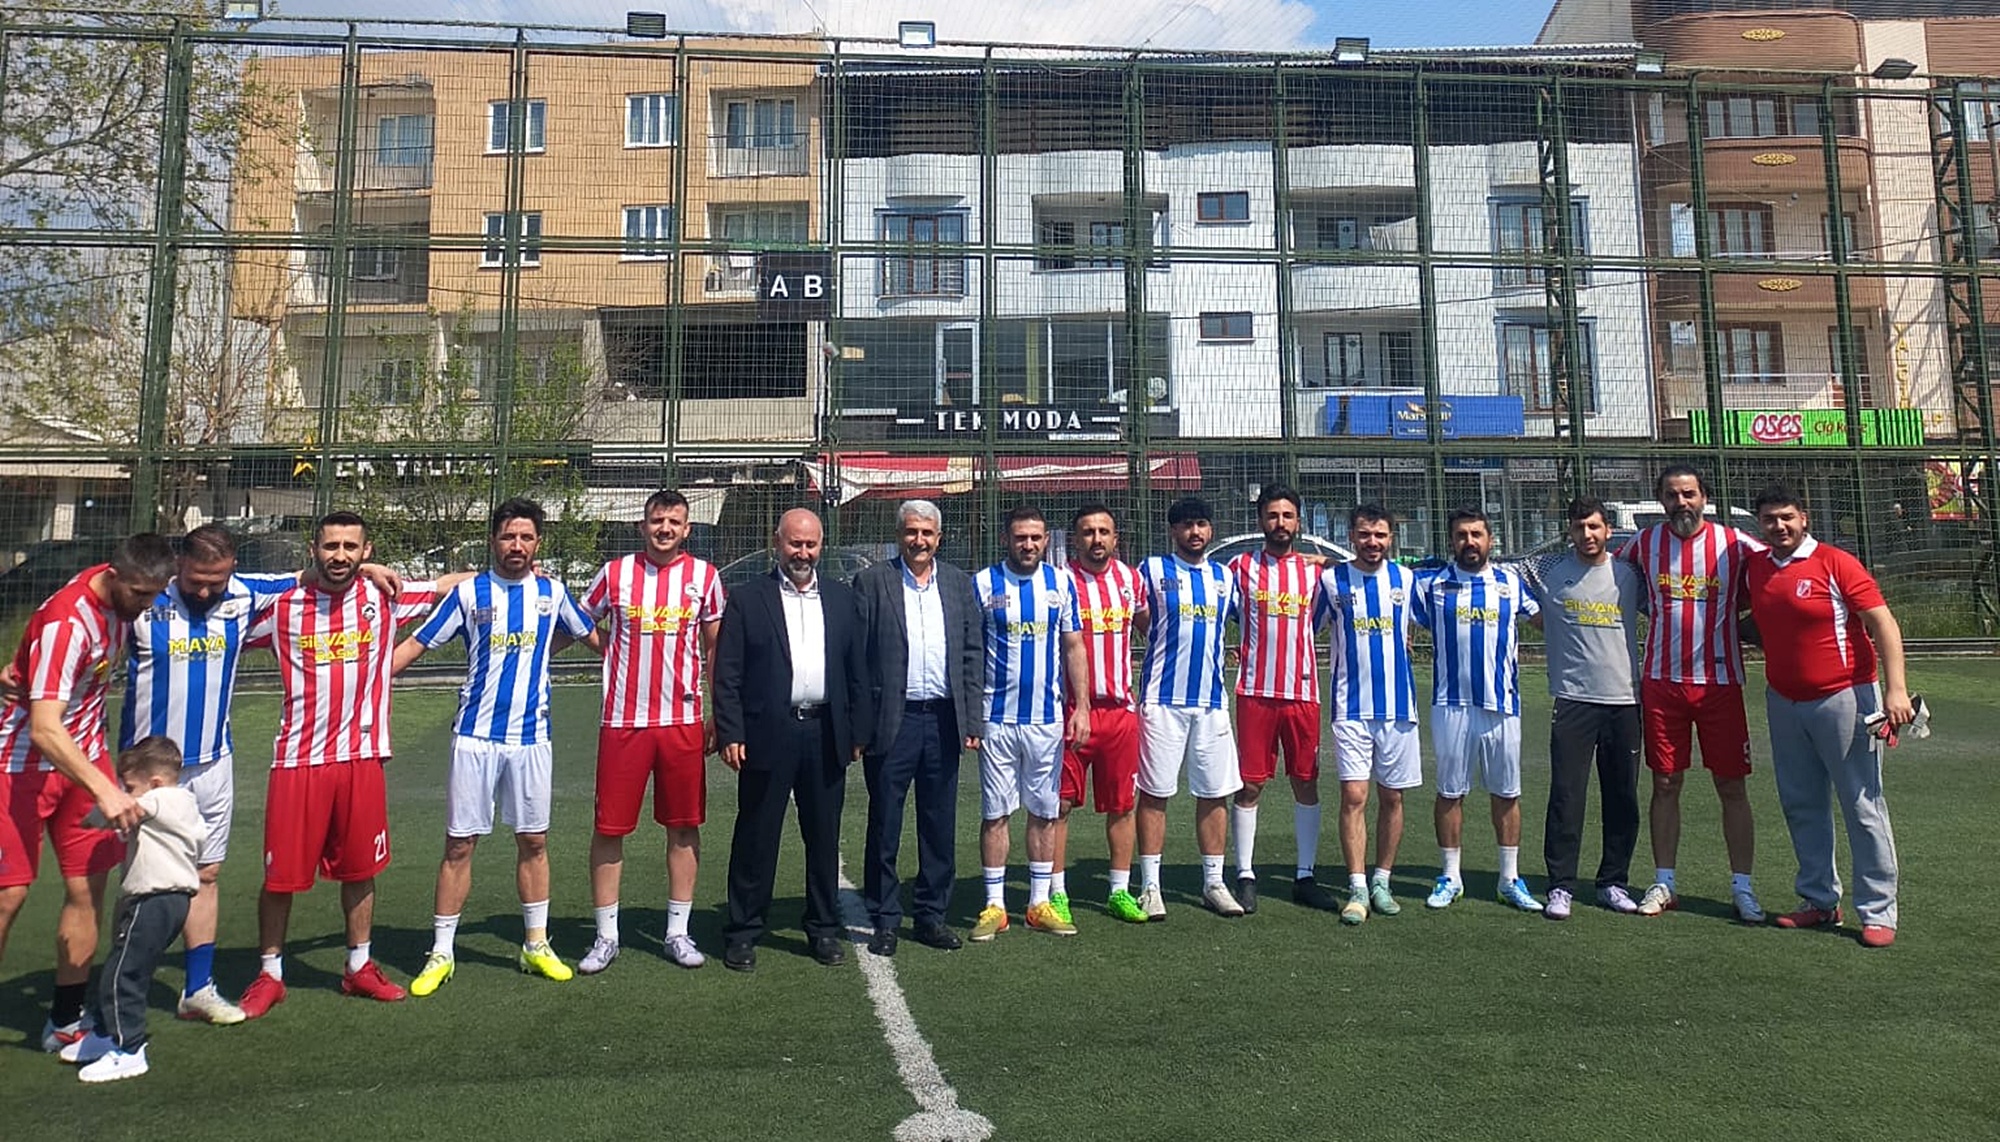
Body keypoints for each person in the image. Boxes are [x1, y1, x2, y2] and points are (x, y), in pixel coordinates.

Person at [114, 524, 393, 1024]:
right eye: (196, 581)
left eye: (216, 582)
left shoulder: (244, 594)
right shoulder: (144, 601)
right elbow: (96, 606)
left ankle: (198, 988)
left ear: (233, 572)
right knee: (138, 884)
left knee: (207, 875)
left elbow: (312, 575)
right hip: (144, 772)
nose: (206, 592)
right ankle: (113, 995)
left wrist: (364, 566)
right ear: (178, 566)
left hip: (214, 761)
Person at [236, 512, 441, 1018]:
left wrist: (518, 575)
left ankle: (358, 966)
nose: (341, 555)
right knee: (280, 878)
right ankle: (270, 974)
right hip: (298, 760)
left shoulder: (384, 598)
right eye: (331, 546)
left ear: (366, 550)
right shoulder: (283, 607)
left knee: (360, 869)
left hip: (361, 758)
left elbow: (450, 587)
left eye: (351, 546)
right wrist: (310, 576)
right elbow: (227, 594)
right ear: (314, 549)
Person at [394, 498, 602, 995]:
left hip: (531, 739)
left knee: (534, 841)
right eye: (509, 536)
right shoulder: (469, 593)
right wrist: (365, 683)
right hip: (475, 738)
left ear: (538, 543)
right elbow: (418, 643)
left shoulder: (552, 592)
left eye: (526, 537)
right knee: (459, 845)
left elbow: (597, 638)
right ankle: (441, 951)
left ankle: (536, 945)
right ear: (493, 540)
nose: (517, 545)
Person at [0, 534, 172, 1053]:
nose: (146, 604)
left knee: (88, 888)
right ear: (115, 577)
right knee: (9, 895)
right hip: (18, 765)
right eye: (139, 593)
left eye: (153, 594)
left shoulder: (123, 593)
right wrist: (107, 790)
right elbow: (46, 728)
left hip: (84, 758)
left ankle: (66, 1020)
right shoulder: (67, 622)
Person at [1745, 485, 1911, 948]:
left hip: (1846, 698)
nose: (1779, 526)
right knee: (1801, 803)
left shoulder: (1835, 562)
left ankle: (1878, 911)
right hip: (1783, 701)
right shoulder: (1756, 567)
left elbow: (1883, 622)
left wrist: (1895, 690)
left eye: (1787, 517)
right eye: (1769, 519)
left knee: (1862, 804)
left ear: (1805, 518)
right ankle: (1819, 900)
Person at [713, 509, 873, 971]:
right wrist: (731, 731)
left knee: (823, 837)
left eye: (810, 544)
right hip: (768, 732)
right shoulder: (748, 599)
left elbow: (857, 670)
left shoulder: (842, 598)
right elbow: (728, 673)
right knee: (757, 835)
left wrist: (858, 730)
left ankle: (822, 928)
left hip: (825, 732)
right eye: (794, 544)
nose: (802, 553)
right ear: (776, 543)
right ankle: (743, 931)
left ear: (821, 546)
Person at [576, 489, 726, 973]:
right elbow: (579, 621)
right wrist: (611, 648)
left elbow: (715, 649)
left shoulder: (705, 577)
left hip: (681, 722)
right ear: (642, 526)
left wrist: (718, 712)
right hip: (624, 721)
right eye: (657, 520)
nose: (664, 529)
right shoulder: (614, 573)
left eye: (673, 522)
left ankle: (677, 932)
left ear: (687, 529)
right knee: (609, 828)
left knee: (683, 826)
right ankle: (606, 936)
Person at [1622, 467, 1763, 922]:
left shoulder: (1735, 544)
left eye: (1688, 494)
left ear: (1705, 497)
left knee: (1731, 785)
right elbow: (1606, 573)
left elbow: (1782, 565)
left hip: (1720, 684)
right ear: (1661, 500)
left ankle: (1742, 887)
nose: (1681, 502)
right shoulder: (1644, 544)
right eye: (1671, 495)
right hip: (1661, 682)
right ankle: (1664, 882)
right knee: (1665, 783)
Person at [852, 500, 983, 956]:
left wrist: (971, 719)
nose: (919, 540)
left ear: (938, 538)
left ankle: (931, 916)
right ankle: (885, 918)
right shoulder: (872, 581)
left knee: (938, 824)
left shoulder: (958, 583)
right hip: (893, 720)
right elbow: (857, 657)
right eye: (911, 532)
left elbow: (971, 653)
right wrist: (858, 725)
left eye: (927, 533)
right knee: (885, 824)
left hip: (943, 719)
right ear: (899, 535)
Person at [1412, 508, 1543, 913]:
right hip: (1451, 705)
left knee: (1507, 793)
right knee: (1450, 792)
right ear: (1452, 541)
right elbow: (1382, 580)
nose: (1469, 542)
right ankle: (1450, 876)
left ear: (1490, 540)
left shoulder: (1510, 583)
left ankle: (1509, 879)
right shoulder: (1432, 584)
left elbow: (1547, 621)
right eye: (1461, 535)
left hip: (1502, 705)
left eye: (1476, 534)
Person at [970, 507, 1091, 940]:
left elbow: (1074, 646)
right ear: (1006, 538)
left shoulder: (1061, 583)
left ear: (1046, 540)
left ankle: (1039, 903)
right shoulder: (984, 583)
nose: (1028, 545)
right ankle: (995, 906)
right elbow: (970, 651)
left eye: (1036, 538)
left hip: (1046, 720)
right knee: (996, 812)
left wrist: (1082, 708)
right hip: (997, 719)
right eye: (1021, 537)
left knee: (1044, 810)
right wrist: (971, 715)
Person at [1523, 497, 1645, 921]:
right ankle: (1560, 885)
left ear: (1608, 530)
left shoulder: (1629, 574)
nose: (1587, 534)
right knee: (1567, 794)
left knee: (1622, 796)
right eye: (1579, 527)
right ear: (1570, 531)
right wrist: (1535, 613)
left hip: (1624, 700)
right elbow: (1500, 576)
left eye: (1594, 526)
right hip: (1573, 699)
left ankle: (1613, 882)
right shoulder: (1547, 570)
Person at [57, 736, 203, 1083]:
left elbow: (124, 809)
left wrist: (92, 815)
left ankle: (129, 1049)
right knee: (122, 965)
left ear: (155, 782)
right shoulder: (182, 803)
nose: (126, 793)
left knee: (124, 975)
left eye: (130, 786)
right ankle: (105, 1032)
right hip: (170, 901)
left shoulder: (163, 799)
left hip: (155, 900)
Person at [1134, 496, 1244, 919]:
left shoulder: (1224, 577)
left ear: (1211, 529)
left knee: (1214, 793)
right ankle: (1150, 886)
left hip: (1211, 703)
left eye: (1201, 524)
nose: (1194, 532)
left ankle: (1214, 883)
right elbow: (1139, 616)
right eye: (1185, 525)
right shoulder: (1152, 570)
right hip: (1161, 701)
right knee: (1155, 792)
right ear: (1172, 531)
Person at [1311, 504, 1421, 925]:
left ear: (1391, 538)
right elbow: (1308, 628)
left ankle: (1382, 880)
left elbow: (1427, 617)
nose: (1372, 542)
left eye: (1380, 535)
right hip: (1350, 707)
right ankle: (1357, 886)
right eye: (1364, 535)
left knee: (1392, 797)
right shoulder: (1332, 580)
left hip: (1398, 708)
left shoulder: (1406, 580)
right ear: (1351, 537)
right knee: (1354, 796)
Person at [1225, 485, 1332, 914]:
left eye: (1288, 515)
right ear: (1260, 521)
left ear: (1299, 522)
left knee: (1305, 781)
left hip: (1302, 693)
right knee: (1250, 784)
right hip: (1255, 692)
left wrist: (1327, 562)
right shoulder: (1240, 568)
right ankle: (1245, 874)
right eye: (1272, 515)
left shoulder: (1316, 575)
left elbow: (1358, 576)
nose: (1280, 523)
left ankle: (1305, 875)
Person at [1056, 504, 1148, 924]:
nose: (1096, 539)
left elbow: (1149, 625)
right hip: (1070, 712)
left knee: (1122, 805)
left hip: (1119, 712)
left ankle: (1119, 890)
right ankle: (1056, 892)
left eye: (1104, 531)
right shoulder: (1060, 581)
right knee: (1059, 805)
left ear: (1116, 538)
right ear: (1075, 539)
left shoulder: (1131, 580)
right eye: (1088, 532)